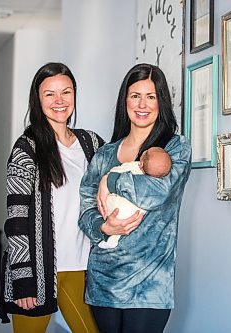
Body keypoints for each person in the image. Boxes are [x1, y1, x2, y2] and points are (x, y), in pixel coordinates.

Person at [78, 63, 191, 333]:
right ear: (125, 101)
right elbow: (85, 205)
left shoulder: (175, 148)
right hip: (103, 279)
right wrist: (102, 228)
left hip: (149, 282)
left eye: (151, 96)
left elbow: (158, 193)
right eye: (135, 95)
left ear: (161, 102)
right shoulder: (105, 154)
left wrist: (112, 180)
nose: (142, 104)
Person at [0, 62, 103, 333]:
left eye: (66, 92)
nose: (59, 101)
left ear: (75, 95)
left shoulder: (91, 143)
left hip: (81, 268)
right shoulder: (26, 148)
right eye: (49, 94)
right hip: (36, 271)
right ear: (37, 99)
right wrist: (22, 279)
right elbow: (17, 219)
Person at [97, 146, 172, 249]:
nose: (145, 150)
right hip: (134, 216)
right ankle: (113, 240)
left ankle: (111, 238)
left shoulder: (133, 167)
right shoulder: (153, 183)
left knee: (108, 202)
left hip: (117, 211)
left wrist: (107, 179)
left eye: (147, 152)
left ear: (141, 163)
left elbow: (115, 172)